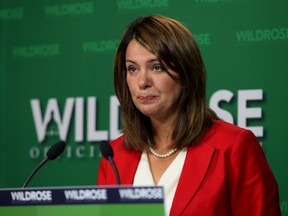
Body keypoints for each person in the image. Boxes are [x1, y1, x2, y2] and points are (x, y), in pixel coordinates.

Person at [97, 15, 281, 216]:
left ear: (186, 73)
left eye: (156, 67)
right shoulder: (114, 156)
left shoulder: (233, 147)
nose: (142, 82)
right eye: (132, 68)